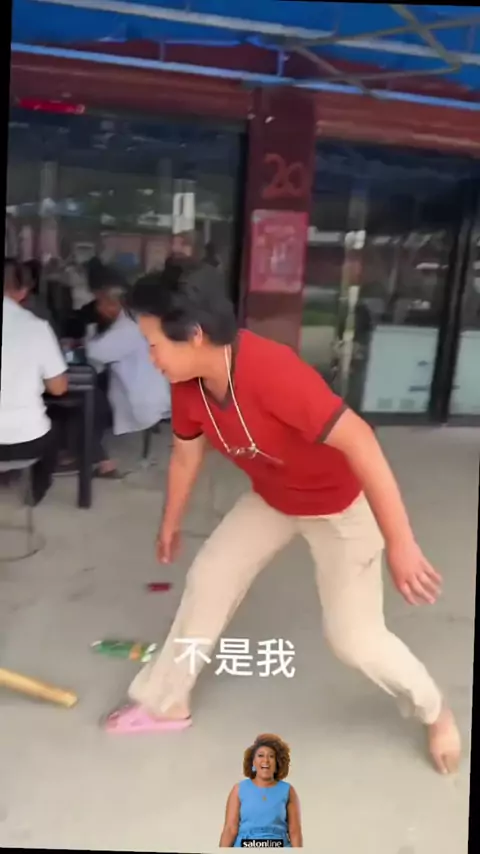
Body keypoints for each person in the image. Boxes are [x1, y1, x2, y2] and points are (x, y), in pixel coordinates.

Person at [103, 263, 460, 777]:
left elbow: (360, 440)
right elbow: (186, 454)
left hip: (339, 507)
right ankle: (166, 702)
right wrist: (170, 522)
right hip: (273, 498)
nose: (151, 358)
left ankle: (435, 711)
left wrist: (400, 542)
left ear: (195, 335)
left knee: (355, 639)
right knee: (209, 578)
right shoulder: (188, 384)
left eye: (154, 344)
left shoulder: (272, 371)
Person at [84, 267, 171, 476]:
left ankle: (95, 456)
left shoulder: (127, 328)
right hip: (150, 392)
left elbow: (94, 353)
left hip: (140, 400)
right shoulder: (136, 319)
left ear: (114, 304)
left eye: (101, 303)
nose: (98, 308)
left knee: (89, 402)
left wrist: (89, 332)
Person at [0, 259, 68, 503]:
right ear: (23, 291)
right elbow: (58, 388)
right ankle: (34, 493)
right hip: (25, 443)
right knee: (56, 429)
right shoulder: (36, 327)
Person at [220, 733, 302, 848]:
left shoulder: (288, 791)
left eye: (271, 756)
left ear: (277, 763)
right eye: (260, 755)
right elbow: (230, 829)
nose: (266, 760)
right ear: (253, 762)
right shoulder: (239, 789)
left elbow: (295, 831)